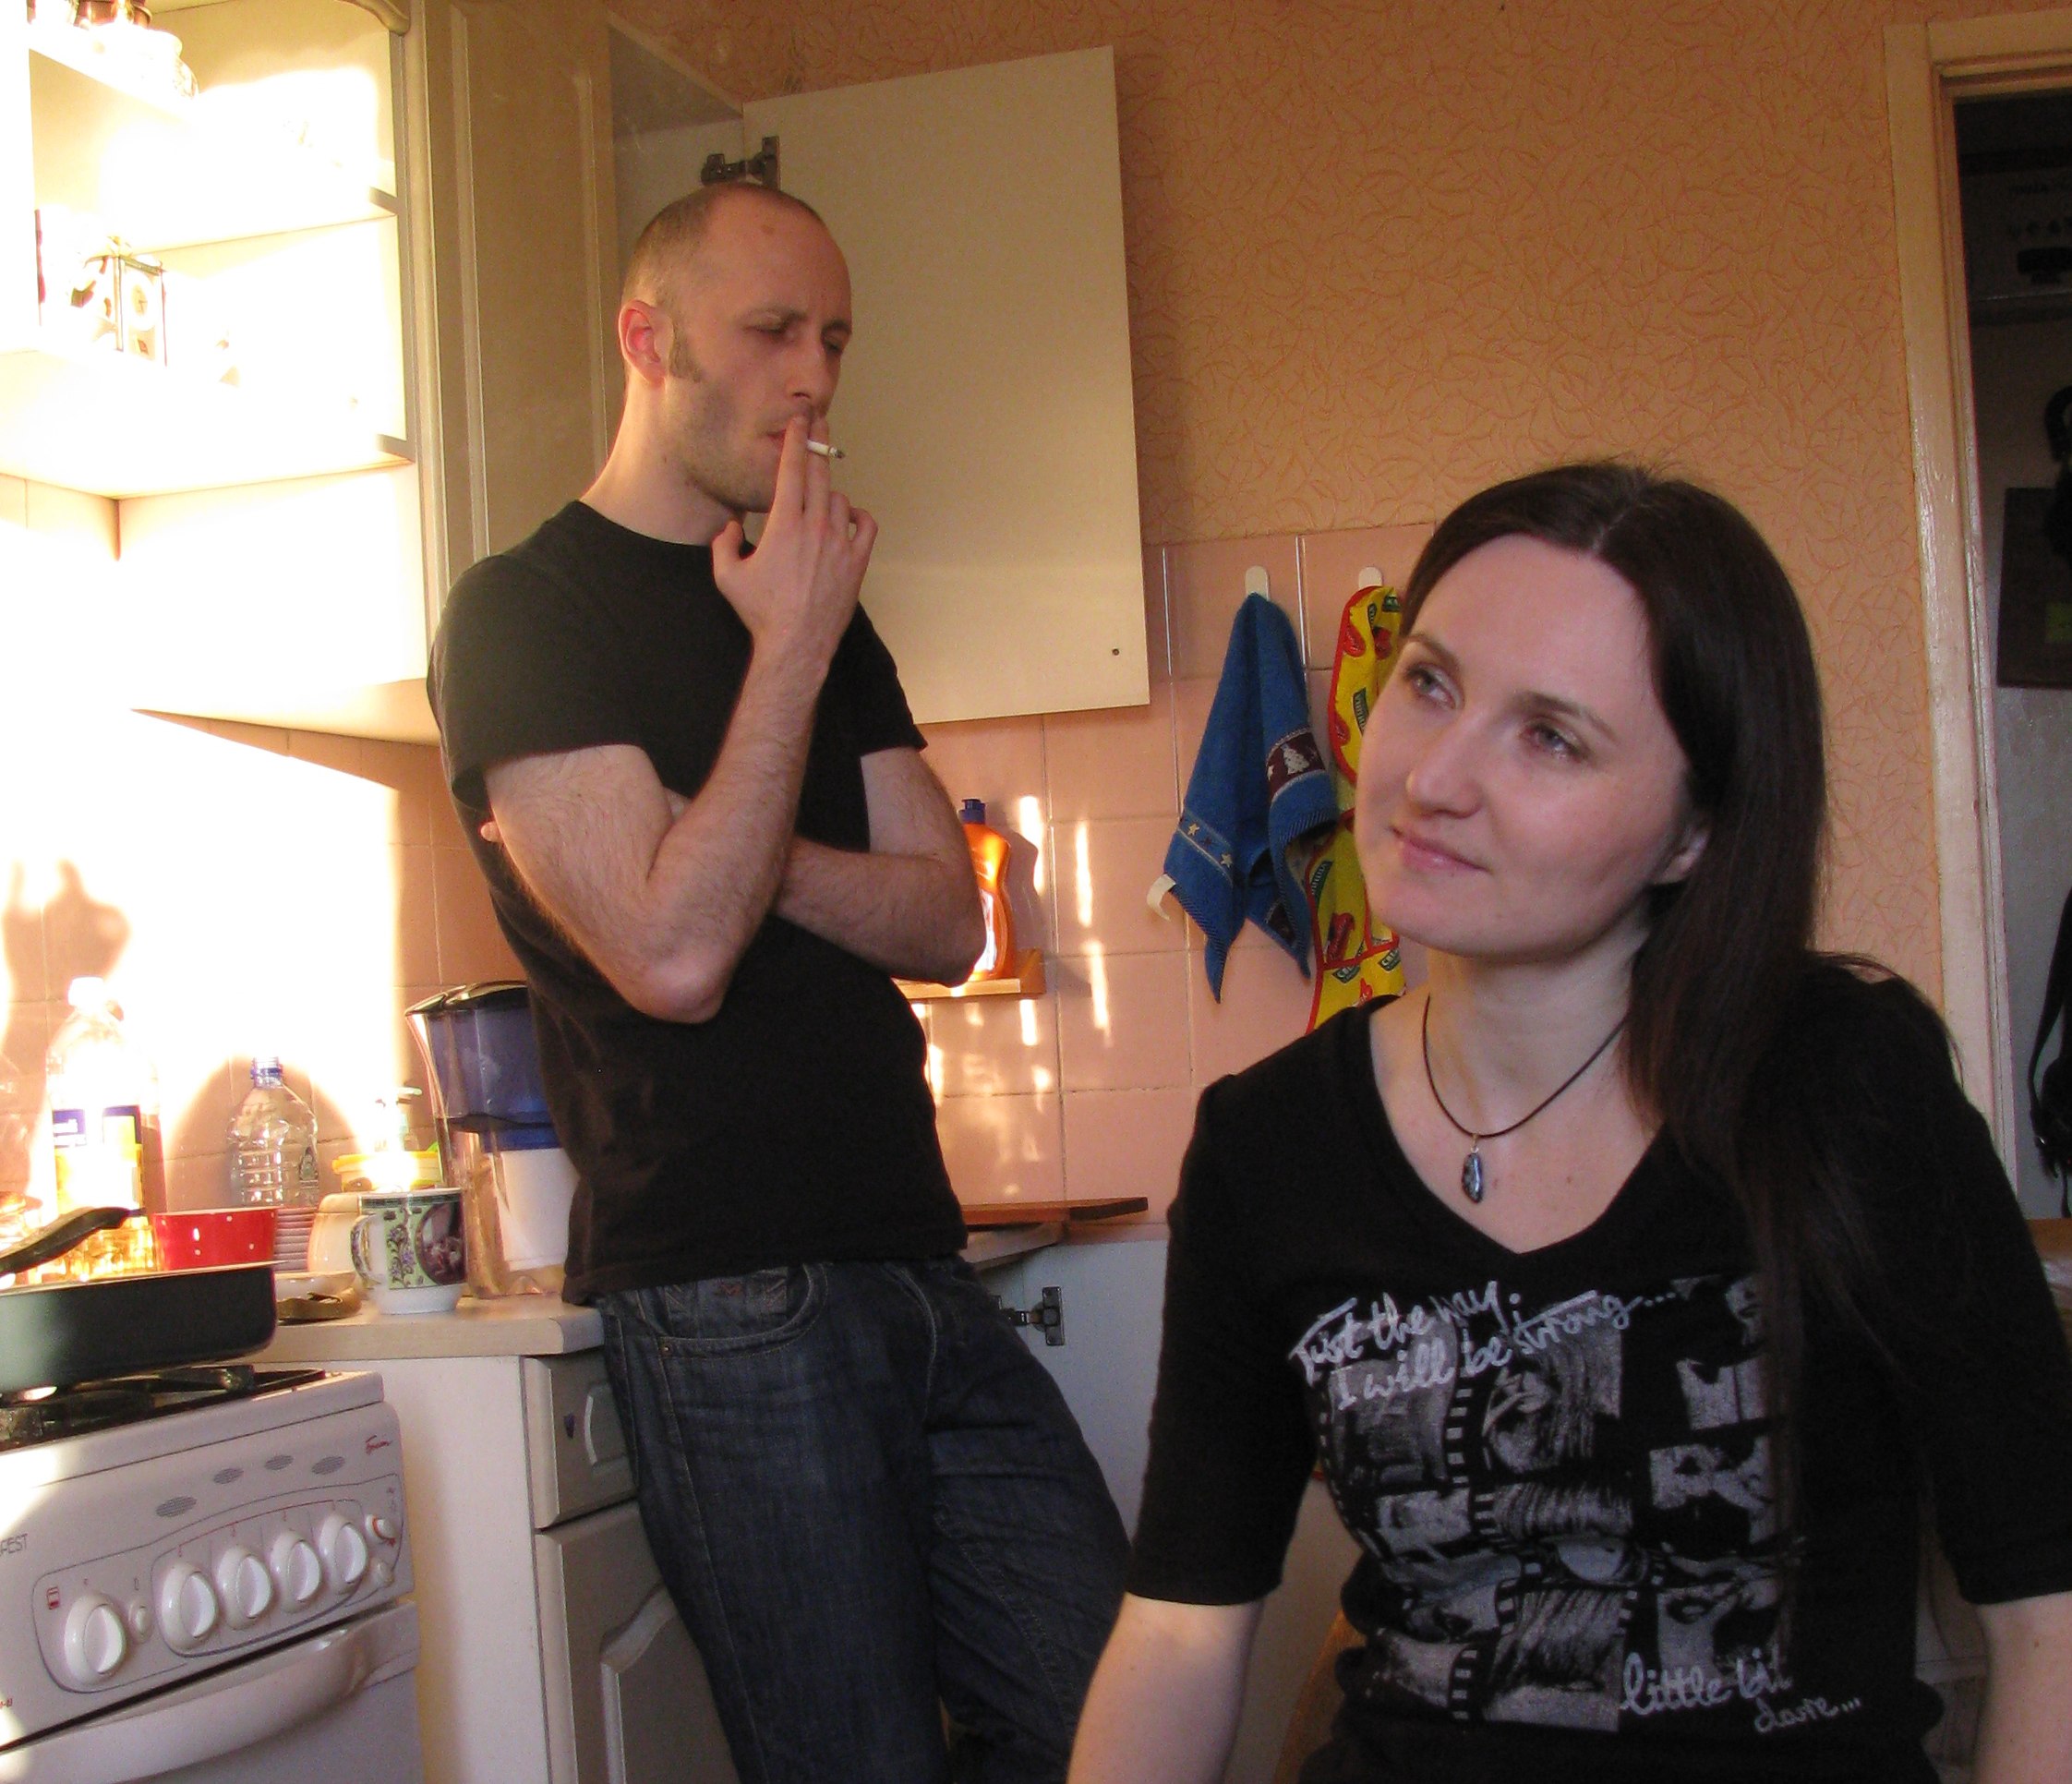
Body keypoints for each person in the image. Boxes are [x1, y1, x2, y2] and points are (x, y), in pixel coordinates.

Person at [1066, 464, 2072, 1783]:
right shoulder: (1266, 1145)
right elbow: (1179, 1635)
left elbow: (2051, 1614)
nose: (1434, 777)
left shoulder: (1847, 1084)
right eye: (1431, 684)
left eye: (1550, 737)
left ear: (1693, 832)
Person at [428, 181, 1128, 1784]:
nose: (815, 378)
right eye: (771, 333)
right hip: (729, 1293)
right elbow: (672, 957)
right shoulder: (525, 614)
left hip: (917, 1259)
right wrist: (789, 652)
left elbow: (949, 921)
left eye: (836, 339)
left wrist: (730, 848)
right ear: (648, 340)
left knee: (1120, 1726)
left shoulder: (827, 608)